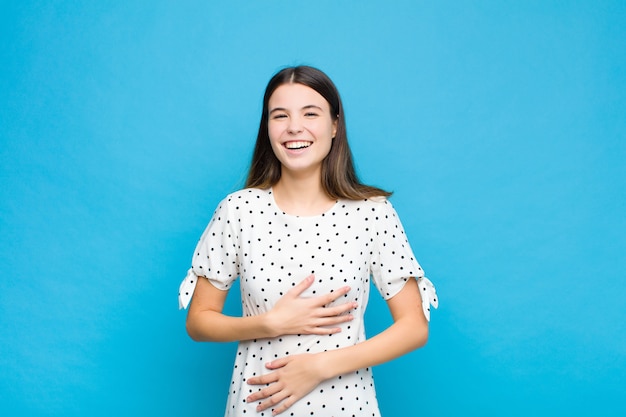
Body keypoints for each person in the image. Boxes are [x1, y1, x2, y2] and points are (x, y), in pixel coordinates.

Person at [178, 65, 438, 417]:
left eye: (310, 113)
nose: (293, 127)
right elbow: (198, 320)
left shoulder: (372, 213)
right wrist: (268, 324)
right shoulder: (238, 211)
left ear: (334, 125)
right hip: (256, 408)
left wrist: (319, 367)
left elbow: (414, 327)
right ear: (267, 128)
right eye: (279, 115)